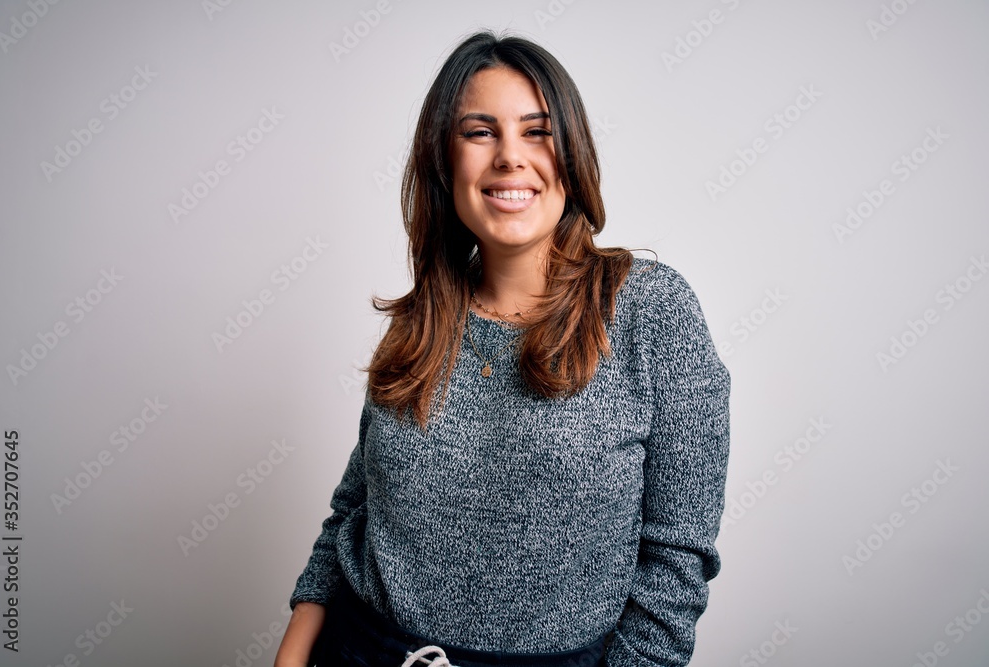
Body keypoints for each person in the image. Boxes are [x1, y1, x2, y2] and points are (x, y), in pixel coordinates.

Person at [274, 30, 730, 667]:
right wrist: (291, 657)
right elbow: (356, 510)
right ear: (444, 159)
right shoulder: (422, 320)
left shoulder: (652, 312)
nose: (510, 157)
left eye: (537, 130)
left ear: (571, 154)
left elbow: (676, 561)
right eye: (479, 132)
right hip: (357, 648)